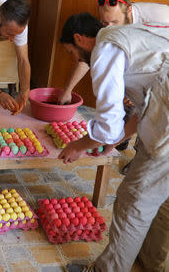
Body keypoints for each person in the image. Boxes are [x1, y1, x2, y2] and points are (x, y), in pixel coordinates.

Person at [58, 13, 168, 272]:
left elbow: (108, 121)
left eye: (72, 52)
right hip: (162, 115)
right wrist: (117, 138)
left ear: (79, 39)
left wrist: (79, 145)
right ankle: (150, 260)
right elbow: (145, 108)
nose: (76, 59)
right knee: (161, 198)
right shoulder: (128, 35)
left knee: (134, 202)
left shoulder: (106, 48)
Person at [58, 0, 169, 105]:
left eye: (114, 22)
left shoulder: (160, 17)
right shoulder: (109, 27)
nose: (109, 28)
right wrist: (68, 90)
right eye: (105, 23)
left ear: (129, 10)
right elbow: (89, 55)